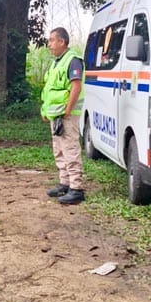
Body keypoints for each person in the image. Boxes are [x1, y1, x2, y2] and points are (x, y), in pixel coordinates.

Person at [41, 27, 86, 205]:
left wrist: (67, 110)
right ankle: (65, 183)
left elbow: (76, 87)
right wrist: (45, 111)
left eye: (52, 40)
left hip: (67, 115)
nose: (49, 44)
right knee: (59, 149)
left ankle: (76, 188)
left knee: (70, 149)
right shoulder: (56, 62)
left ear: (62, 41)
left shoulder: (73, 60)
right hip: (56, 115)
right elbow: (49, 90)